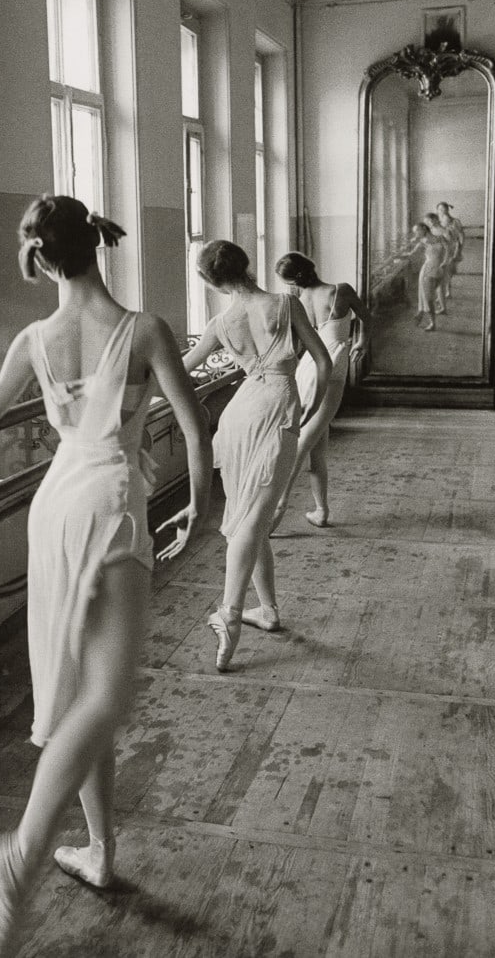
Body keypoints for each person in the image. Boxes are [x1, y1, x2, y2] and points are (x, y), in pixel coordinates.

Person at [0, 195, 212, 956]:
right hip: (111, 505)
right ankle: (24, 851)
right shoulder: (144, 331)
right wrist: (201, 511)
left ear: (41, 259)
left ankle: (99, 854)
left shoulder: (36, 338)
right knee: (108, 695)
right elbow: (194, 432)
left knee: (81, 690)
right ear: (96, 245)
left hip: (57, 505)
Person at [181, 240, 331, 672]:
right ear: (246, 264)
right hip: (277, 408)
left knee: (252, 515)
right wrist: (313, 406)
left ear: (210, 281)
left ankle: (267, 611)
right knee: (252, 518)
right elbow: (321, 361)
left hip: (240, 413)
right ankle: (230, 614)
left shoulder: (220, 322)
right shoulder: (285, 303)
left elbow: (177, 370)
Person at [270, 253, 372, 532]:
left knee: (313, 447)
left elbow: (292, 345)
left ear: (293, 281)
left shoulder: (298, 302)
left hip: (310, 367)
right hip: (331, 368)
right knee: (304, 446)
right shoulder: (340, 290)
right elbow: (366, 317)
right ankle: (279, 510)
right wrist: (361, 340)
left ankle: (317, 510)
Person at [406, 220, 446, 331]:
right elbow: (410, 253)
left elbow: (448, 249)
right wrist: (401, 254)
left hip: (439, 271)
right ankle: (432, 323)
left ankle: (421, 313)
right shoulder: (422, 242)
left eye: (417, 231)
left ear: (424, 228)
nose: (416, 234)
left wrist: (446, 261)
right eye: (415, 232)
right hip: (428, 271)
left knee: (429, 296)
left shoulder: (440, 238)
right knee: (429, 298)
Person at [423, 211, 455, 312]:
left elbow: (450, 247)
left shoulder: (444, 231)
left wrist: (446, 260)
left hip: (442, 260)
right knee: (437, 286)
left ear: (436, 219)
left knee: (440, 286)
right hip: (432, 260)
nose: (430, 223)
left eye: (431, 220)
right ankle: (441, 306)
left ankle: (443, 307)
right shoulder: (430, 231)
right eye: (428, 222)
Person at [436, 202, 465, 294]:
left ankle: (448, 288)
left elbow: (461, 234)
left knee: (449, 269)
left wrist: (460, 247)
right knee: (440, 269)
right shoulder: (437, 222)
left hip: (452, 247)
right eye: (440, 209)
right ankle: (442, 290)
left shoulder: (455, 221)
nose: (442, 211)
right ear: (437, 210)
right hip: (440, 248)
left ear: (448, 209)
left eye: (444, 209)